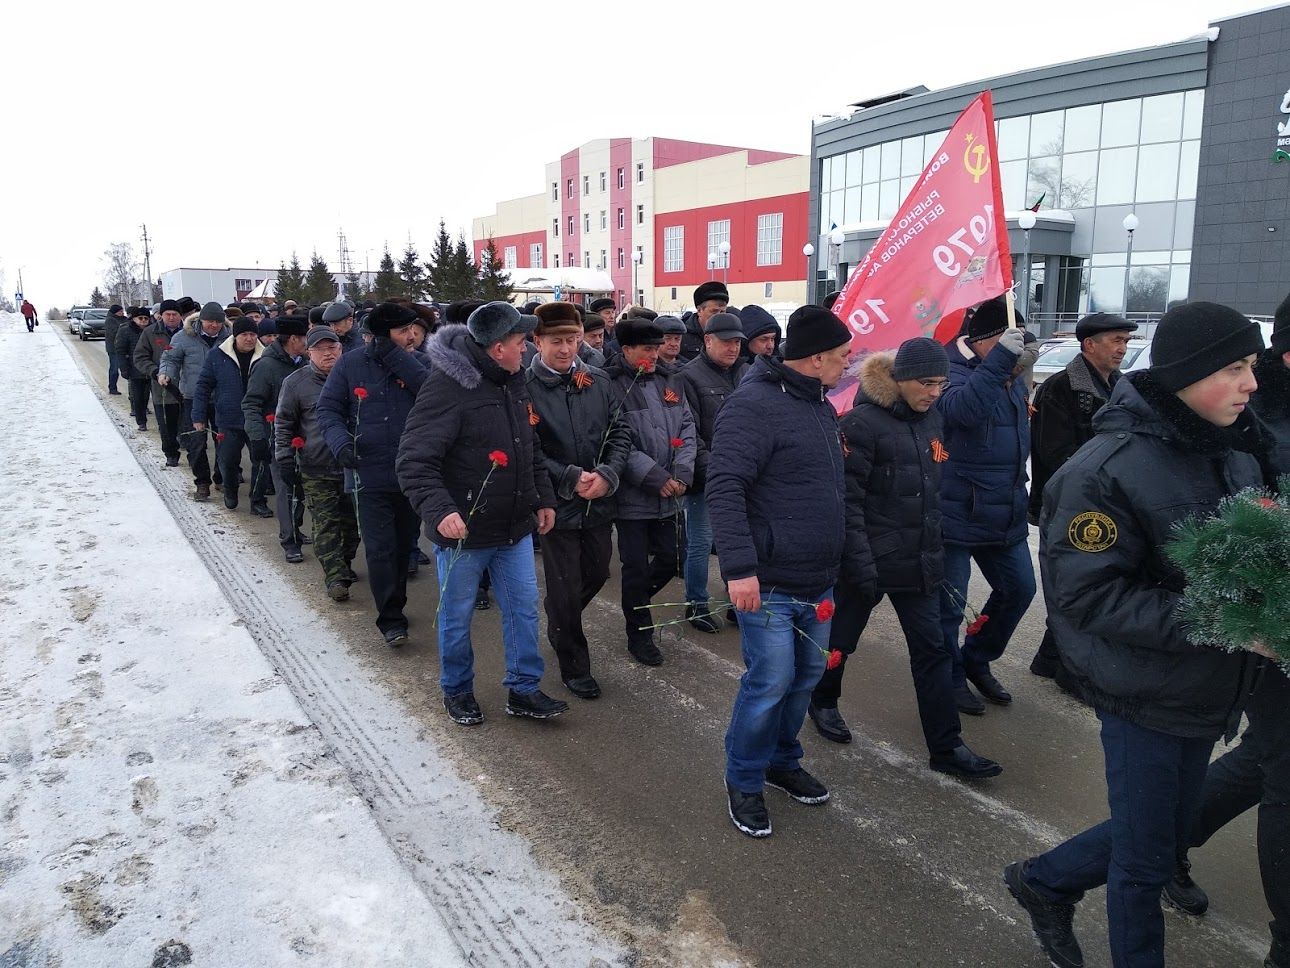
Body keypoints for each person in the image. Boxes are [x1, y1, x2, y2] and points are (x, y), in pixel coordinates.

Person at [1004, 302, 1268, 968]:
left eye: (1253, 367)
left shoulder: (1231, 449)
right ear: (1187, 373)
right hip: (1144, 693)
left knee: (1167, 829)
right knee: (1145, 864)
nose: (1251, 384)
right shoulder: (1104, 470)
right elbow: (1088, 596)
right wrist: (1227, 622)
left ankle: (1045, 881)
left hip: (1207, 685)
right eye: (1235, 368)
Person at [807, 337, 1003, 779]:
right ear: (899, 379)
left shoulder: (933, 421)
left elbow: (930, 495)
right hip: (868, 563)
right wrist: (859, 565)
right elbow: (848, 504)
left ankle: (946, 746)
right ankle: (822, 699)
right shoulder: (860, 425)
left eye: (941, 383)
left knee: (934, 651)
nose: (935, 392)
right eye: (927, 383)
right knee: (841, 642)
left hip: (918, 563)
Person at [1164, 294, 1290, 968]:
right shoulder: (1252, 419)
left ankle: (1161, 845)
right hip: (1267, 632)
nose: (1248, 381)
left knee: (1258, 764)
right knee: (1285, 774)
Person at [708, 305, 851, 838]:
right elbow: (725, 488)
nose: (846, 364)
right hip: (767, 580)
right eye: (840, 357)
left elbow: (833, 490)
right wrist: (740, 569)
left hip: (819, 577)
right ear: (815, 359)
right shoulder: (753, 406)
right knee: (770, 681)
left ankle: (781, 761)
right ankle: (743, 778)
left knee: (806, 677)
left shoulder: (820, 404)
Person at [397, 301, 566, 724]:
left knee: (524, 609)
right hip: (463, 534)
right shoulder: (447, 388)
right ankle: (456, 690)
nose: (526, 348)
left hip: (514, 527)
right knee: (457, 617)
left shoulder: (513, 382)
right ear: (496, 348)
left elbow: (530, 448)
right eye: (519, 341)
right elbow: (414, 460)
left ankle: (524, 689)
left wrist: (542, 498)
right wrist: (439, 512)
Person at [524, 301, 632, 700]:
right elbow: (529, 449)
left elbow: (621, 432)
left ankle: (557, 619)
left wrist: (608, 474)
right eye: (556, 341)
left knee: (599, 573)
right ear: (537, 342)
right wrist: (569, 476)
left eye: (572, 340)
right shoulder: (524, 387)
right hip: (555, 502)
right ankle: (574, 664)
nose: (566, 349)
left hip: (598, 499)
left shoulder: (599, 381)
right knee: (566, 586)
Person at [936, 297, 1034, 716]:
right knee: (948, 608)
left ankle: (976, 656)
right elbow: (964, 410)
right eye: (1010, 341)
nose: (1019, 350)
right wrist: (1003, 364)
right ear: (987, 340)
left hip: (1003, 507)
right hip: (954, 510)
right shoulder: (946, 370)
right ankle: (950, 677)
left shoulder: (1008, 372)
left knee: (1019, 590)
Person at [1027, 313, 1137, 683]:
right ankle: (1067, 669)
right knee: (1072, 585)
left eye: (1125, 341)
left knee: (1088, 585)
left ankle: (1051, 658)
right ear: (1089, 344)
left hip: (1106, 503)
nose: (1122, 348)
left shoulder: (1121, 386)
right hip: (1068, 504)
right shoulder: (1061, 388)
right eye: (1115, 340)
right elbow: (1052, 452)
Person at [318, 303, 430, 645]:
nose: (411, 336)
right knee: (381, 549)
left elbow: (431, 396)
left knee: (404, 547)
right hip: (368, 472)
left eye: (413, 329)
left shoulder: (421, 364)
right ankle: (391, 618)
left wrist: (397, 358)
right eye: (402, 331)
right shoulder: (351, 363)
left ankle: (396, 599)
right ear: (384, 335)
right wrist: (340, 444)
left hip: (412, 474)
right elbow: (328, 408)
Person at [604, 317, 697, 667]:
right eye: (647, 348)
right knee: (637, 569)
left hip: (672, 494)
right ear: (626, 350)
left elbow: (687, 427)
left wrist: (682, 471)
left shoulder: (670, 379)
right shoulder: (610, 385)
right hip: (634, 500)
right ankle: (639, 633)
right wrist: (656, 478)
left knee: (675, 559)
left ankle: (636, 603)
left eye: (657, 348)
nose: (655, 354)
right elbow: (616, 442)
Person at [276, 328, 359, 602]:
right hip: (316, 465)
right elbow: (284, 422)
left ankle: (344, 562)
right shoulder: (296, 383)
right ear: (308, 352)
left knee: (353, 525)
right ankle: (335, 576)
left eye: (332, 347)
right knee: (326, 523)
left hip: (353, 466)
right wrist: (284, 456)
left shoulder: (355, 376)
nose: (328, 353)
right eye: (320, 349)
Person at [677, 312, 747, 632]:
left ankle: (738, 602)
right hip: (707, 476)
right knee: (701, 542)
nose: (733, 348)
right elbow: (690, 431)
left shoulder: (746, 373)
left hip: (743, 476)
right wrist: (717, 471)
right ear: (707, 341)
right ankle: (697, 603)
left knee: (739, 541)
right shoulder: (689, 376)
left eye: (737, 342)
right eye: (726, 342)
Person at [243, 315, 307, 545]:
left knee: (300, 489)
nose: (307, 343)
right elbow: (251, 403)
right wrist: (257, 436)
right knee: (285, 488)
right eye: (304, 338)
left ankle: (296, 528)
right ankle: (289, 540)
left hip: (306, 438)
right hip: (278, 437)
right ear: (292, 339)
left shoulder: (305, 363)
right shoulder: (266, 366)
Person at [161, 301, 229, 502]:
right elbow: (169, 358)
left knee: (224, 441)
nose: (214, 326)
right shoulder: (183, 336)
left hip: (222, 398)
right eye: (210, 321)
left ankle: (220, 477)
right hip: (192, 397)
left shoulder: (229, 338)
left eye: (218, 322)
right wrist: (166, 374)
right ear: (201, 320)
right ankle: (202, 482)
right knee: (196, 442)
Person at [192, 317, 262, 510]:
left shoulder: (265, 356)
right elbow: (203, 386)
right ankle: (230, 489)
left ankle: (258, 500)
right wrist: (198, 416)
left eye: (253, 334)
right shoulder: (218, 355)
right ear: (235, 336)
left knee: (260, 460)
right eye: (244, 335)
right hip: (229, 418)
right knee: (228, 460)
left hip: (258, 418)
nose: (249, 339)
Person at [133, 298, 185, 466]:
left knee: (188, 424)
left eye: (175, 314)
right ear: (160, 315)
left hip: (187, 387)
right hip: (162, 388)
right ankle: (171, 453)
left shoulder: (189, 332)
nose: (171, 318)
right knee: (166, 425)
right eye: (167, 314)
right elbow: (140, 357)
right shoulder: (150, 333)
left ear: (180, 315)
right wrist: (155, 372)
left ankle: (193, 454)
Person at [117, 308, 153, 430]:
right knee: (138, 397)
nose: (143, 321)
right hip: (135, 369)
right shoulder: (126, 331)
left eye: (146, 318)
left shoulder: (153, 330)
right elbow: (120, 351)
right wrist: (124, 368)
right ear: (134, 319)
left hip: (152, 369)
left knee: (151, 397)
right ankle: (141, 421)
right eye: (140, 318)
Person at [682, 281, 728, 362]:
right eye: (714, 311)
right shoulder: (682, 336)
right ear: (699, 311)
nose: (719, 316)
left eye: (722, 312)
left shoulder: (731, 335)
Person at [104, 305, 126, 394]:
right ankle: (112, 388)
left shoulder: (124, 319)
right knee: (114, 368)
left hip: (124, 347)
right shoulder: (110, 320)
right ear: (115, 312)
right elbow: (114, 332)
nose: (122, 313)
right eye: (120, 311)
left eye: (122, 311)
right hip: (114, 348)